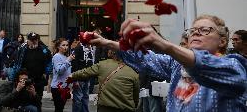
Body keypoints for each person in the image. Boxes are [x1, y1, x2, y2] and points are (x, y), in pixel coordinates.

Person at [90, 15, 247, 111]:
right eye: (192, 30)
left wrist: (166, 46)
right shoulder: (177, 65)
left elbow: (204, 65)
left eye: (205, 30)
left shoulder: (234, 65)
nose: (196, 32)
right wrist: (106, 42)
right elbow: (146, 58)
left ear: (222, 41)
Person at [69, 49, 139, 112]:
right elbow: (135, 96)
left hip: (105, 107)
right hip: (125, 108)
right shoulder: (133, 72)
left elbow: (85, 72)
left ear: (110, 53)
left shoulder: (102, 65)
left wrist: (71, 76)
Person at [10, 32, 52, 111]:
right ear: (27, 40)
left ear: (38, 40)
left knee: (37, 101)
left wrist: (46, 73)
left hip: (38, 81)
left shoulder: (44, 50)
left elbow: (49, 63)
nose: (34, 41)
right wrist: (14, 78)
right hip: (24, 81)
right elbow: (16, 63)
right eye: (31, 40)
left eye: (35, 40)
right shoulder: (22, 50)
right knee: (24, 102)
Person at [51, 38, 75, 112]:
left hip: (64, 87)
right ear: (58, 47)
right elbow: (59, 70)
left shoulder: (66, 57)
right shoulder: (56, 56)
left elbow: (67, 72)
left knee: (61, 108)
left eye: (67, 45)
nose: (65, 47)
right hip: (57, 87)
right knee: (59, 108)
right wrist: (68, 61)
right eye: (63, 45)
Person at [71, 42, 94, 112]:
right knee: (78, 99)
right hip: (79, 78)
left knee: (85, 98)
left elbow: (91, 63)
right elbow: (74, 64)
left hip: (87, 78)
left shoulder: (90, 49)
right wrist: (75, 79)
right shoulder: (78, 49)